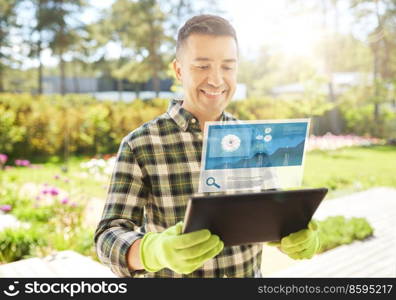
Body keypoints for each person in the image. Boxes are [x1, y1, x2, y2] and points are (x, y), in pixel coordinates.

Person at [94, 14, 320, 278]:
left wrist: (294, 233)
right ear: (179, 70)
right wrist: (153, 251)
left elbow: (270, 215)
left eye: (227, 66)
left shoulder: (254, 139)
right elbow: (107, 235)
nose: (216, 80)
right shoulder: (141, 144)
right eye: (202, 66)